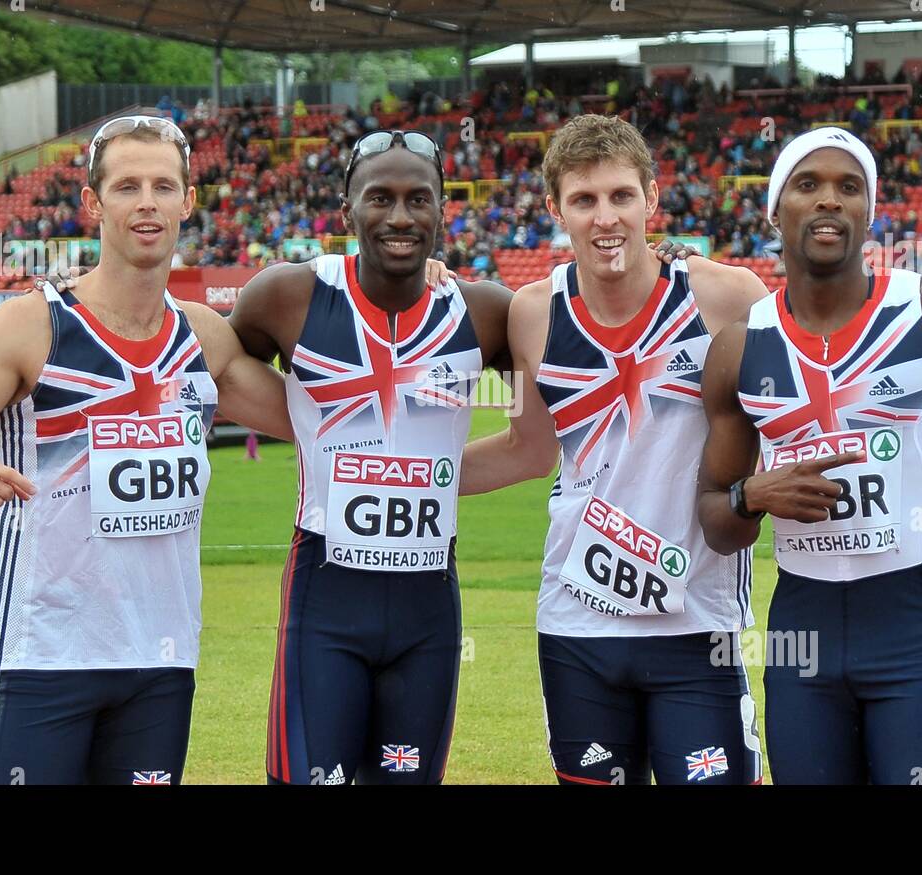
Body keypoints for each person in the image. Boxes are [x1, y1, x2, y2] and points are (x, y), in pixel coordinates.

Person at [228, 129, 691, 785]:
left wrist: (665, 262)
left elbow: (559, 391)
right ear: (345, 207)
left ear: (444, 209)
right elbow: (210, 367)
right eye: (379, 197)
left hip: (428, 608)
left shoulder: (484, 312)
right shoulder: (286, 295)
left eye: (419, 199)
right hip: (324, 600)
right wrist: (314, 429)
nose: (399, 216)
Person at [0, 115, 294, 785]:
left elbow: (316, 421)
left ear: (188, 202)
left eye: (164, 186)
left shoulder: (203, 339)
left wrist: (406, 285)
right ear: (92, 203)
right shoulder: (33, 325)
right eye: (127, 185)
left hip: (161, 658)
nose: (146, 202)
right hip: (46, 655)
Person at [696, 128, 922, 784]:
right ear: (775, 209)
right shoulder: (739, 349)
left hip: (911, 628)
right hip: (801, 636)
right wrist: (754, 495)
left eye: (848, 187)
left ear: (870, 210)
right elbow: (716, 517)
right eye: (808, 185)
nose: (829, 200)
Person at [459, 114, 775, 785]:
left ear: (651, 199)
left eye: (621, 196)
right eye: (584, 199)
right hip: (578, 625)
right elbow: (526, 450)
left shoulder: (726, 297)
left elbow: (801, 412)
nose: (606, 217)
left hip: (698, 624)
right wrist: (409, 479)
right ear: (555, 209)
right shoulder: (532, 313)